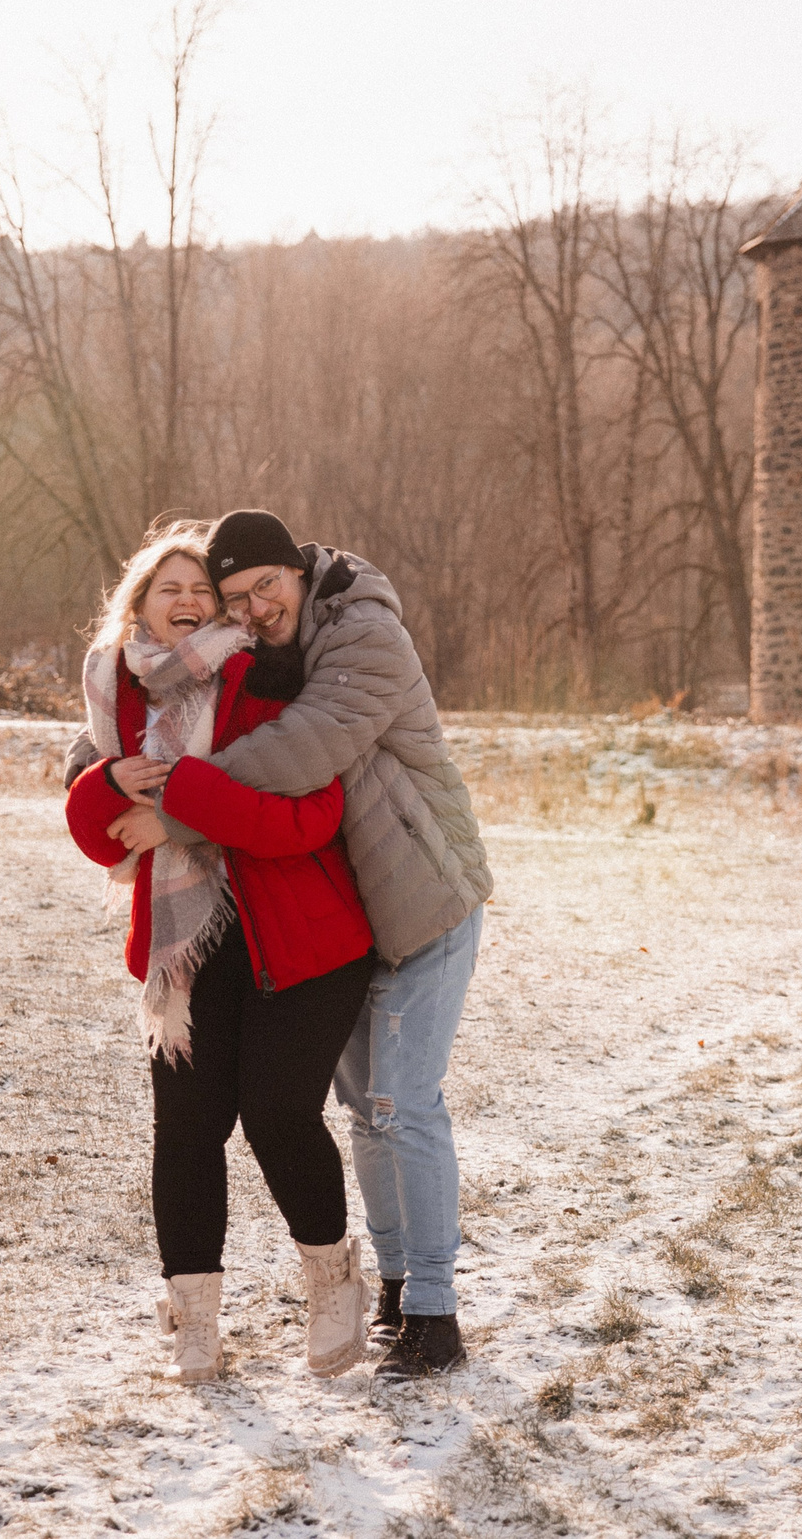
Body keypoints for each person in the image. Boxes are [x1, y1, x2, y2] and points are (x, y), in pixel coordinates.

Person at [64, 522, 381, 1384]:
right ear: (139, 606)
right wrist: (104, 783)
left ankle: (334, 1287)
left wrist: (182, 806)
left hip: (303, 939)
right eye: (170, 589)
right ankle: (193, 1324)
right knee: (188, 1130)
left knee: (279, 1112)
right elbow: (102, 839)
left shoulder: (267, 675)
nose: (191, 602)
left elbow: (306, 821)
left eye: (202, 589)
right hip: (188, 953)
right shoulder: (119, 699)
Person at [194, 509, 492, 1381]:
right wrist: (101, 763)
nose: (253, 609)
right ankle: (398, 1291)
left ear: (297, 571)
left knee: (404, 1101)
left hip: (425, 898)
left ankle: (436, 1315)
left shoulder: (364, 632)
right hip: (352, 922)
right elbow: (161, 687)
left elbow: (304, 747)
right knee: (367, 1114)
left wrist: (180, 792)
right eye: (235, 599)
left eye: (265, 587)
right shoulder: (260, 639)